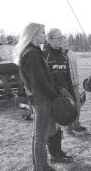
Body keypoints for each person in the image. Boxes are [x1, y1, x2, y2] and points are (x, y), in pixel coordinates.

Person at [13, 23, 60, 171]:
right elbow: (39, 81)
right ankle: (41, 167)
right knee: (41, 135)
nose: (44, 35)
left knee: (39, 134)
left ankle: (39, 165)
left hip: (39, 98)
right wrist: (55, 97)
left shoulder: (33, 51)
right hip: (42, 100)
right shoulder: (32, 53)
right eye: (42, 33)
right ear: (33, 35)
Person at [42, 28, 74, 162]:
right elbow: (43, 79)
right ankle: (54, 155)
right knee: (51, 126)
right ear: (49, 39)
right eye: (58, 38)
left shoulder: (63, 55)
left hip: (62, 96)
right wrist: (55, 93)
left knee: (58, 124)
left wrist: (71, 94)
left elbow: (68, 77)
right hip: (50, 96)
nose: (61, 40)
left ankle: (59, 152)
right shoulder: (44, 55)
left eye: (62, 37)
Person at [60, 35, 87, 132]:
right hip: (66, 86)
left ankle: (76, 124)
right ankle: (69, 127)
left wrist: (77, 80)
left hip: (75, 83)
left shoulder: (71, 53)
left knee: (77, 104)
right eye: (63, 42)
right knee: (68, 106)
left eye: (66, 41)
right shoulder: (59, 55)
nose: (66, 43)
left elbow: (74, 67)